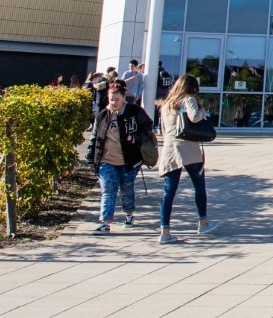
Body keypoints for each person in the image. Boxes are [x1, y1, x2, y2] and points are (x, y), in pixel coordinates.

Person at [155, 73, 219, 244]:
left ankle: (165, 230)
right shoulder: (188, 99)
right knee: (199, 185)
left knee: (169, 191)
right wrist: (204, 111)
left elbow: (162, 130)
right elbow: (194, 117)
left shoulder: (166, 104)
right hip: (188, 148)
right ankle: (202, 222)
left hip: (170, 148)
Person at [87, 81, 153, 233]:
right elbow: (94, 137)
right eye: (111, 99)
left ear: (124, 97)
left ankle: (129, 214)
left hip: (129, 160)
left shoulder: (134, 112)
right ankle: (105, 222)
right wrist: (91, 158)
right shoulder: (103, 115)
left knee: (126, 188)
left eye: (117, 99)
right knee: (108, 190)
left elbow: (147, 127)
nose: (113, 102)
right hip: (106, 160)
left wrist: (135, 138)